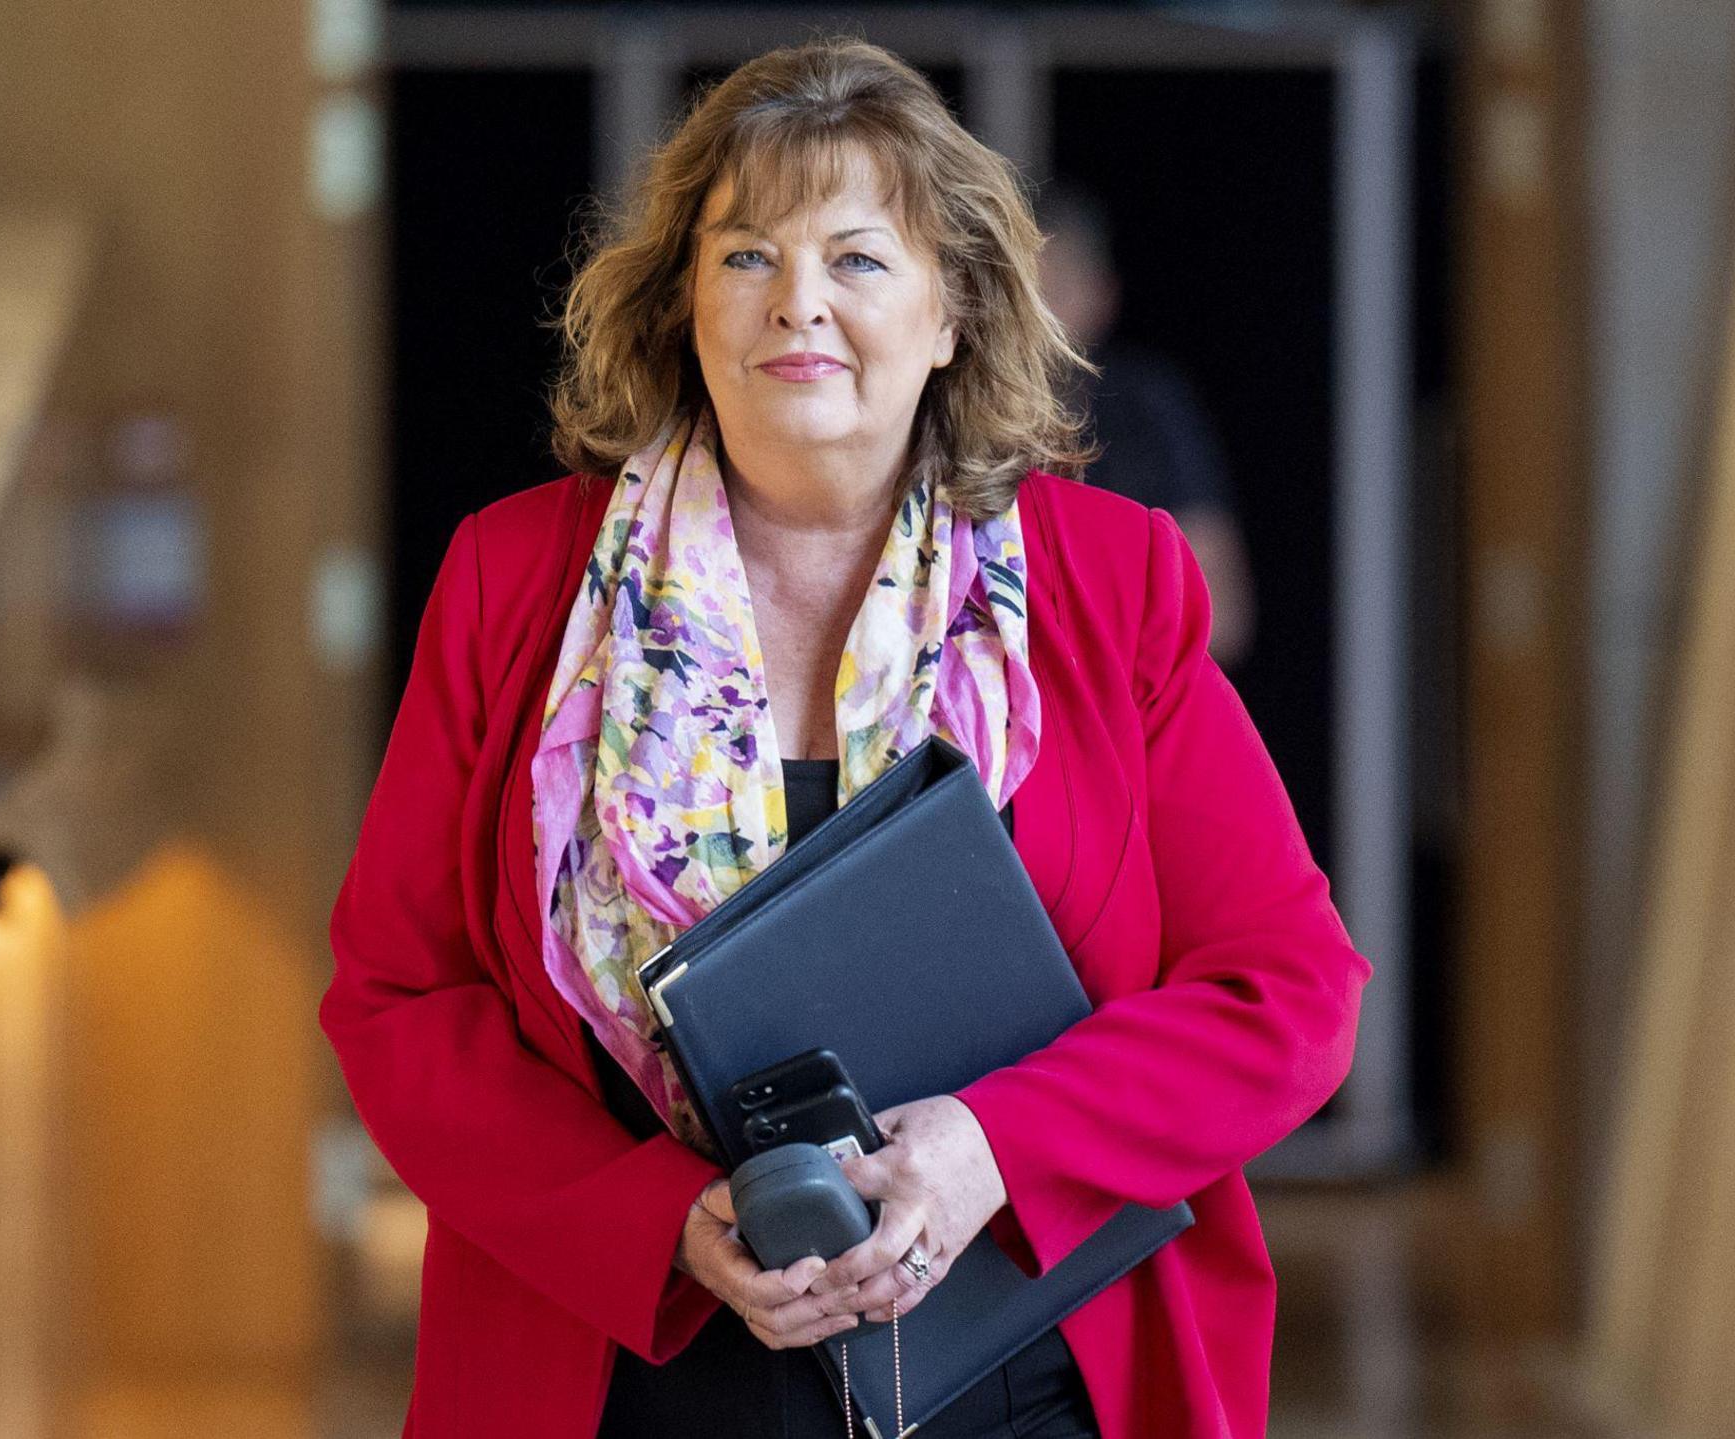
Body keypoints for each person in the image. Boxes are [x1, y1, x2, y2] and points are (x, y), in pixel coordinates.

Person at [319, 36, 1370, 1439]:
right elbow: (400, 999)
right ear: (683, 302)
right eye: (746, 255)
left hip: (1021, 1354)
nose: (797, 303)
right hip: (631, 1357)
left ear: (953, 313)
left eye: (861, 260)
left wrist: (993, 1144)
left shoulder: (1110, 580)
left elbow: (1289, 993)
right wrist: (662, 1218)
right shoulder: (515, 582)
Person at [1034, 177, 1259, 667]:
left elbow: (1222, 614)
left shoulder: (1145, 407)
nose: (1041, 320)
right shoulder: (948, 415)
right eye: (1024, 294)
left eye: (1059, 290)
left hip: (1126, 702)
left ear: (1102, 296)